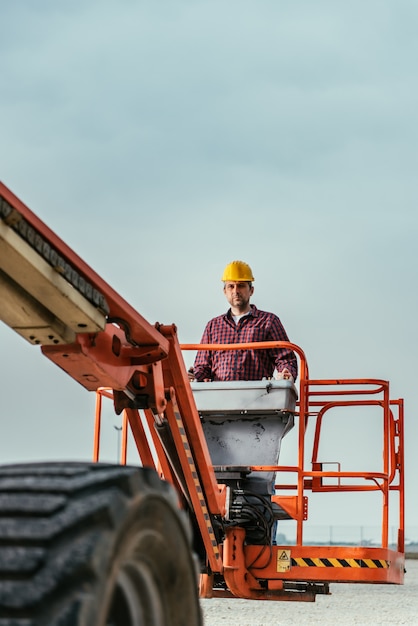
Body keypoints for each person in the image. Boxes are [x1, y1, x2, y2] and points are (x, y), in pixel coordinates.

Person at [191, 260, 297, 382]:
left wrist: (286, 372)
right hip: (219, 395)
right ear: (224, 291)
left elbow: (285, 359)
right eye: (231, 286)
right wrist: (195, 376)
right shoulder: (213, 326)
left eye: (241, 285)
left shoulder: (268, 322)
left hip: (259, 396)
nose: (235, 291)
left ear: (251, 290)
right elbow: (202, 366)